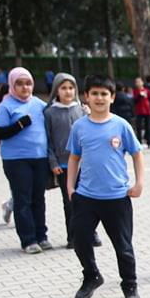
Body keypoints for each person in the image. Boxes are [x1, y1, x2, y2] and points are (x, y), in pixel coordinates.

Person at [66, 74, 145, 298]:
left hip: (117, 198)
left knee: (123, 247)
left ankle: (129, 286)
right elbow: (74, 157)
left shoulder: (121, 125)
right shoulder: (79, 126)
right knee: (79, 241)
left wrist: (139, 183)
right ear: (87, 97)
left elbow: (137, 154)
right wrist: (71, 186)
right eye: (95, 93)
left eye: (104, 94)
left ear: (112, 97)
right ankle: (91, 276)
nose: (99, 98)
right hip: (86, 197)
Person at [0, 66, 52, 253]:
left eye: (28, 83)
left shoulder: (39, 105)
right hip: (16, 160)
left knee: (38, 199)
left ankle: (41, 236)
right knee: (22, 199)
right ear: (12, 85)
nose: (24, 88)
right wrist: (19, 124)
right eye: (20, 84)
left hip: (40, 158)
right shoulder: (6, 106)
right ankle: (28, 240)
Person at [44, 73, 100, 251]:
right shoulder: (50, 112)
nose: (68, 92)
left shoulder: (82, 111)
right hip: (64, 165)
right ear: (56, 90)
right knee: (70, 202)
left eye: (71, 88)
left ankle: (91, 233)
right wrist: (53, 162)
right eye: (63, 88)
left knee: (89, 201)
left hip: (86, 165)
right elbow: (48, 140)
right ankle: (72, 236)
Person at [132, 76, 150, 148]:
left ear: (142, 82)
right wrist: (140, 96)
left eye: (139, 81)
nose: (137, 83)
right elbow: (135, 101)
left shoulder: (147, 90)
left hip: (147, 110)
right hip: (139, 111)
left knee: (148, 126)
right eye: (136, 82)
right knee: (138, 127)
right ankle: (139, 141)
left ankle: (149, 141)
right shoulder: (135, 91)